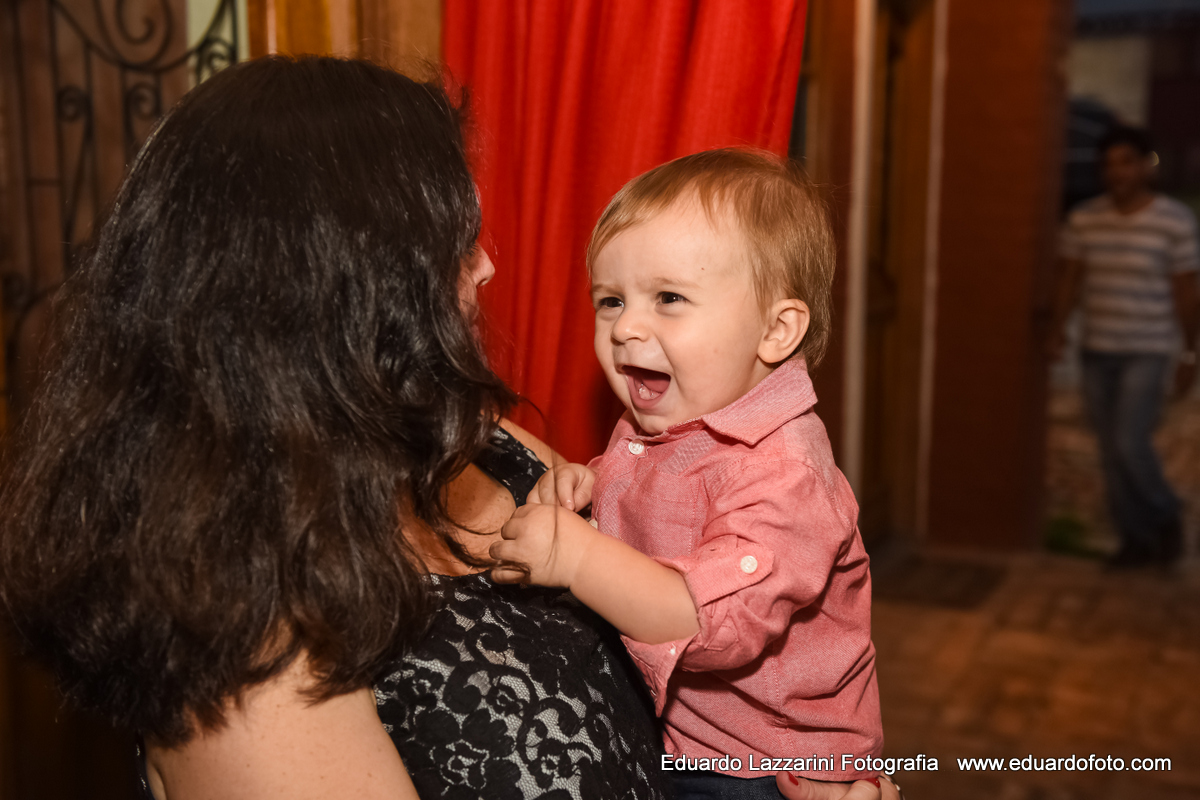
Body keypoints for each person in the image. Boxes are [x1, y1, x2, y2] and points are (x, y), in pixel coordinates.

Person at [0, 57, 892, 800]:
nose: (491, 264)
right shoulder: (239, 638)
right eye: (458, 240)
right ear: (345, 287)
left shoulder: (483, 445)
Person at [493, 149, 883, 799]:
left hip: (761, 769)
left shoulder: (785, 475)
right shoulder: (667, 415)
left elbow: (701, 625)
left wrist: (574, 553)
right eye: (611, 301)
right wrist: (588, 488)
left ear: (776, 330)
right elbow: (656, 501)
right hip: (681, 735)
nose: (626, 328)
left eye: (669, 298)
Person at [1049, 126, 1199, 568]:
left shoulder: (1173, 221)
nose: (1117, 173)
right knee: (1110, 451)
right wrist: (1056, 328)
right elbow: (1069, 281)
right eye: (1109, 165)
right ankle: (1136, 540)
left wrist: (1190, 353)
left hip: (1147, 350)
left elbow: (1187, 293)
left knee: (1130, 442)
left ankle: (1165, 512)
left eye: (1126, 162)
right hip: (1098, 349)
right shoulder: (1085, 219)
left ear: (1145, 165)